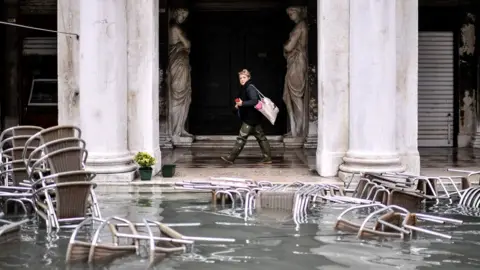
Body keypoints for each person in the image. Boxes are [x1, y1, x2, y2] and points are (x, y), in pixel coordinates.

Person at [221, 69, 272, 164]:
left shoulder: (250, 87)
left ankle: (231, 158)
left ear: (248, 77)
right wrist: (239, 105)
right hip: (254, 118)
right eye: (240, 78)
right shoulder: (245, 87)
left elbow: (254, 101)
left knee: (241, 138)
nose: (242, 79)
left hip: (250, 118)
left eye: (244, 77)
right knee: (261, 137)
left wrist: (242, 103)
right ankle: (267, 158)